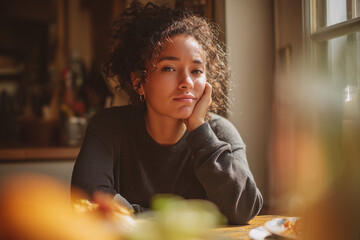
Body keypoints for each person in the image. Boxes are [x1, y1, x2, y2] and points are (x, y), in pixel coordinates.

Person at [71, 1, 263, 225]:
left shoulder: (220, 133)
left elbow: (245, 209)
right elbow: (88, 202)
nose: (187, 82)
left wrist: (199, 130)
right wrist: (183, 220)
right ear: (138, 82)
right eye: (169, 68)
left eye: (196, 71)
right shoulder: (108, 127)